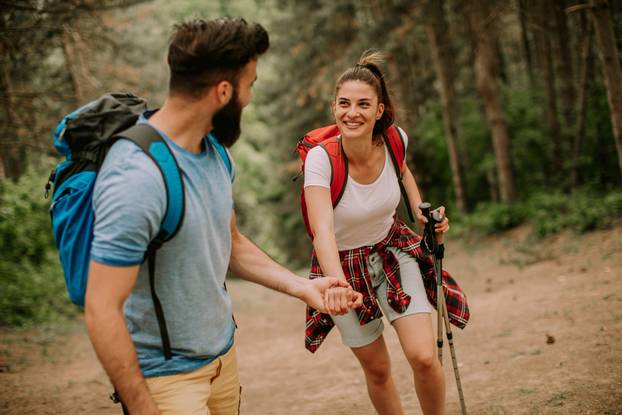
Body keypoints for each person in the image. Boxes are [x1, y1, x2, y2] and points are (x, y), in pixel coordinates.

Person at [84, 17, 361, 415]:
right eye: (249, 85)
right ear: (224, 91)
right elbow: (101, 307)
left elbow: (230, 242)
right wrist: (143, 406)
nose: (248, 98)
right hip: (167, 381)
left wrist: (303, 287)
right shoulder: (136, 176)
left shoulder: (214, 152)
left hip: (221, 361)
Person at [303, 51, 468, 415]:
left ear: (379, 110)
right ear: (334, 107)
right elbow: (323, 231)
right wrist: (337, 285)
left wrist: (421, 212)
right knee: (377, 370)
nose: (352, 113)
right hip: (341, 267)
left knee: (424, 357)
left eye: (363, 104)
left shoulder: (395, 140)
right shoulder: (321, 159)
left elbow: (403, 171)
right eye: (344, 103)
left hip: (392, 249)